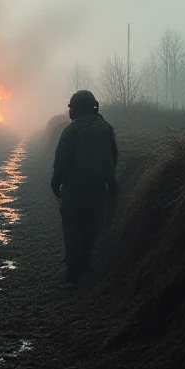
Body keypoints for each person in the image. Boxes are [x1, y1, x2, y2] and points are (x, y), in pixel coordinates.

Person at [50, 90, 118, 284]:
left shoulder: (71, 130)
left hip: (73, 189)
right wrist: (108, 180)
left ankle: (72, 271)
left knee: (71, 226)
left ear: (76, 108)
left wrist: (56, 182)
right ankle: (86, 263)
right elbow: (113, 157)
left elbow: (61, 160)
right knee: (92, 226)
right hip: (97, 188)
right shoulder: (106, 128)